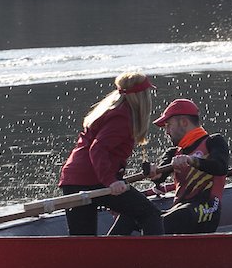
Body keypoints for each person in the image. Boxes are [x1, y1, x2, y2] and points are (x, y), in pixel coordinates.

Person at [57, 72, 164, 236]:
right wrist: (110, 182)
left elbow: (110, 154)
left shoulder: (114, 109)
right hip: (90, 180)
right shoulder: (122, 116)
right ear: (140, 97)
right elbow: (98, 149)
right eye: (147, 93)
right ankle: (156, 259)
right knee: (150, 215)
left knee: (83, 240)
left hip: (76, 179)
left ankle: (112, 256)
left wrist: (115, 181)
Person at [147, 98, 230, 235]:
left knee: (180, 215)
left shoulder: (214, 141)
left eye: (168, 125)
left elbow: (220, 167)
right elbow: (159, 178)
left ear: (184, 122)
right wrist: (152, 172)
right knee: (133, 216)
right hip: (180, 209)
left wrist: (192, 160)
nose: (167, 132)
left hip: (208, 209)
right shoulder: (173, 152)